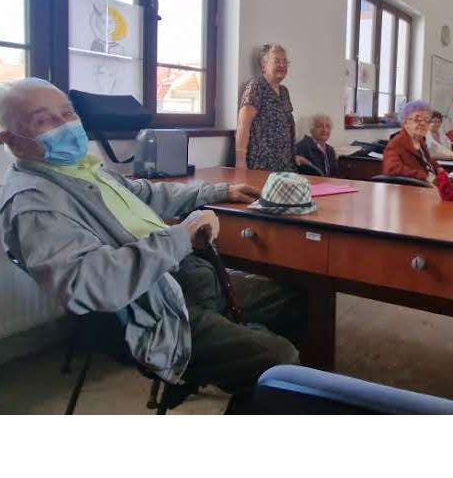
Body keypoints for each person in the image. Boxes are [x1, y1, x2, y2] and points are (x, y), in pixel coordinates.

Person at [0, 78, 305, 411]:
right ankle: (247, 375)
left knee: (296, 299)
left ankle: (239, 371)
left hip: (180, 278)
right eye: (43, 120)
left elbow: (145, 193)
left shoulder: (80, 169)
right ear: (11, 140)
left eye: (68, 113)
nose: (65, 125)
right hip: (148, 310)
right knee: (278, 362)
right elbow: (89, 284)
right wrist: (181, 237)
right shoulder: (34, 204)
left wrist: (217, 191)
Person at [236, 43, 296, 171]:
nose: (282, 65)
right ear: (263, 65)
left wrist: (294, 156)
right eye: (277, 61)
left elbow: (287, 128)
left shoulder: (284, 91)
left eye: (285, 61)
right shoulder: (256, 87)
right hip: (261, 163)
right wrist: (240, 161)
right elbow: (243, 126)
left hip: (284, 164)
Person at [382, 100, 442, 183]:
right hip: (416, 186)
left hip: (431, 183)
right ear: (405, 123)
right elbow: (392, 169)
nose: (423, 123)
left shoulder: (420, 140)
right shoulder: (396, 143)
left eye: (426, 120)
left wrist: (439, 168)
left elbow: (427, 161)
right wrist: (424, 177)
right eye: (417, 120)